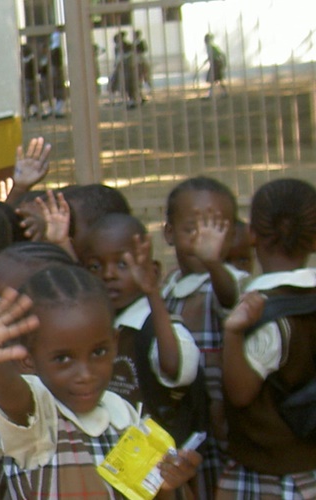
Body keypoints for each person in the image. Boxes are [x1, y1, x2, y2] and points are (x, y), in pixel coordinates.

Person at [0, 267, 204, 498]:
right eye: (62, 359)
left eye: (98, 352)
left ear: (115, 343)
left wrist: (167, 483)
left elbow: (140, 493)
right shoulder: (37, 416)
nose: (86, 374)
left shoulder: (123, 415)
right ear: (27, 359)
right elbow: (9, 389)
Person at [217, 178, 316, 498]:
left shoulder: (268, 315)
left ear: (251, 235)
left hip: (272, 477)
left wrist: (233, 333)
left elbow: (241, 393)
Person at [76, 213, 207, 439]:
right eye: (95, 266)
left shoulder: (154, 326)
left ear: (152, 271)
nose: (108, 274)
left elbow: (176, 368)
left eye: (122, 264)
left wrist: (152, 292)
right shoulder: (97, 324)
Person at [160, 177, 248, 495]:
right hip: (187, 420)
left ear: (232, 235)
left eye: (216, 231)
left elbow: (230, 299)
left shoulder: (230, 281)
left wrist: (213, 263)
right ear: (169, 233)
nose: (203, 241)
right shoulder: (167, 289)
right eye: (192, 229)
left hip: (224, 420)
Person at [204, 34, 228, 99]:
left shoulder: (212, 46)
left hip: (216, 64)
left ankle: (211, 94)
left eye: (206, 39)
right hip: (214, 64)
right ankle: (223, 93)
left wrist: (223, 63)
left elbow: (220, 54)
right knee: (217, 79)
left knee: (213, 79)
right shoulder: (209, 46)